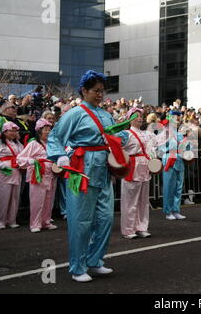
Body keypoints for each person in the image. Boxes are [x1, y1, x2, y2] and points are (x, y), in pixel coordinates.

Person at [47, 70, 126, 283]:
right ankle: (77, 266)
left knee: (105, 218)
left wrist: (122, 136)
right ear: (84, 91)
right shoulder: (74, 113)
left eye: (102, 91)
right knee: (80, 220)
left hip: (103, 169)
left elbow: (113, 136)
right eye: (96, 91)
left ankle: (95, 260)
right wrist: (60, 157)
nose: (100, 95)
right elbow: (55, 137)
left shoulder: (106, 114)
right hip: (82, 168)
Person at [120, 107, 157, 239]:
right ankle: (128, 229)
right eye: (136, 116)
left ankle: (142, 227)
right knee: (129, 200)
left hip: (145, 167)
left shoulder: (147, 134)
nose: (140, 118)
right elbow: (115, 150)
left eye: (141, 116)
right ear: (130, 118)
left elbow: (154, 148)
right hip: (132, 167)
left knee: (143, 200)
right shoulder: (125, 134)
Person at [17, 119, 57, 233]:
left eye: (50, 130)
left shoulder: (52, 144)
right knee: (37, 200)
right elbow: (20, 158)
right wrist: (31, 161)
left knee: (49, 200)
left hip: (51, 174)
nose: (48, 132)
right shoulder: (33, 143)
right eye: (46, 130)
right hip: (38, 174)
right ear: (39, 131)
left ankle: (46, 221)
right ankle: (35, 223)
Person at [157, 110, 188, 220]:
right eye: (175, 117)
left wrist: (186, 140)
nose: (178, 119)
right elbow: (159, 148)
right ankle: (168, 211)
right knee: (169, 187)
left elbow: (184, 148)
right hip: (169, 159)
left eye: (178, 117)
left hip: (179, 159)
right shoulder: (163, 133)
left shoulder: (179, 133)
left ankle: (176, 210)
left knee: (178, 187)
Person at [0, 121, 24, 230]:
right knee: (3, 197)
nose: (13, 133)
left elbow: (23, 154)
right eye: (11, 131)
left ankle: (12, 220)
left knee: (14, 198)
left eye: (15, 131)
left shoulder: (18, 143)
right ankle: (1, 221)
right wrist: (0, 164)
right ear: (5, 132)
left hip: (16, 171)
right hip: (4, 172)